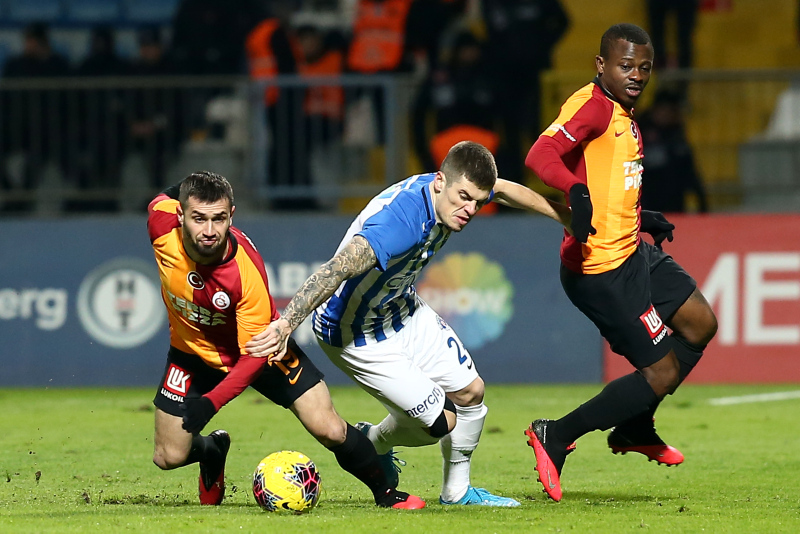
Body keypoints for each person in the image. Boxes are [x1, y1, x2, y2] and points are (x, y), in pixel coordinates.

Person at [246, 141, 571, 506]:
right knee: (440, 424)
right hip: (354, 332)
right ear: (439, 182)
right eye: (464, 198)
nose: (469, 210)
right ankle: (374, 442)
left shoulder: (458, 188)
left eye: (478, 203)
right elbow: (335, 269)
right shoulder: (400, 224)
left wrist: (566, 217)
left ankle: (457, 492)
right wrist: (286, 325)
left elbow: (507, 190)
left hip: (401, 308)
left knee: (471, 392)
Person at [147, 171, 425, 509]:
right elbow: (163, 197)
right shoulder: (160, 224)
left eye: (218, 219)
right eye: (199, 218)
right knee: (168, 456)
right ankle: (213, 451)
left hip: (260, 350)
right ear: (180, 214)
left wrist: (211, 402)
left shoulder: (243, 273)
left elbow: (253, 358)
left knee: (328, 428)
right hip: (190, 354)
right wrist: (196, 182)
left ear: (231, 215)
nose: (209, 230)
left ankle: (386, 494)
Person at [525, 23, 718, 502]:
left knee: (700, 323)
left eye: (644, 67)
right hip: (601, 268)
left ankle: (635, 426)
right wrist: (574, 190)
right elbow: (541, 154)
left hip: (632, 248)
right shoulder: (592, 105)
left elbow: (609, 175)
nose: (636, 75)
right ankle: (556, 434)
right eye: (625, 65)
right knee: (661, 373)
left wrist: (638, 214)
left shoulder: (623, 111)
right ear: (601, 65)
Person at [638, 89, 707, 213]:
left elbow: (688, 170)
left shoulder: (675, 133)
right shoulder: (639, 129)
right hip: (646, 200)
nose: (668, 115)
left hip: (673, 202)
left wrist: (701, 200)